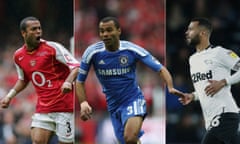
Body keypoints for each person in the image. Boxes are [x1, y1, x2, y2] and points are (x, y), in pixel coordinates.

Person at [75, 16, 184, 144]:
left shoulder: (131, 49)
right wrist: (83, 103)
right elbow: (80, 81)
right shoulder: (92, 53)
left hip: (133, 100)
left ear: (119, 31)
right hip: (113, 106)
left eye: (109, 30)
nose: (105, 34)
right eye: (102, 31)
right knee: (129, 141)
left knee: (130, 137)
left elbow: (161, 69)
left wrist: (170, 86)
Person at [0, 16, 80, 144]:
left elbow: (76, 67)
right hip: (43, 108)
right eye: (33, 29)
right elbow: (23, 79)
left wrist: (68, 82)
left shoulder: (52, 48)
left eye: (39, 28)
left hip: (64, 106)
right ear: (23, 33)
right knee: (37, 141)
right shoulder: (18, 56)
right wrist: (10, 96)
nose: (38, 31)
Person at [179, 17, 240, 144]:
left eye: (191, 29)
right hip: (210, 120)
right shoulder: (192, 59)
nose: (186, 32)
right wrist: (193, 95)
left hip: (225, 114)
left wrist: (224, 82)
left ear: (203, 33)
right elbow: (204, 88)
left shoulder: (219, 53)